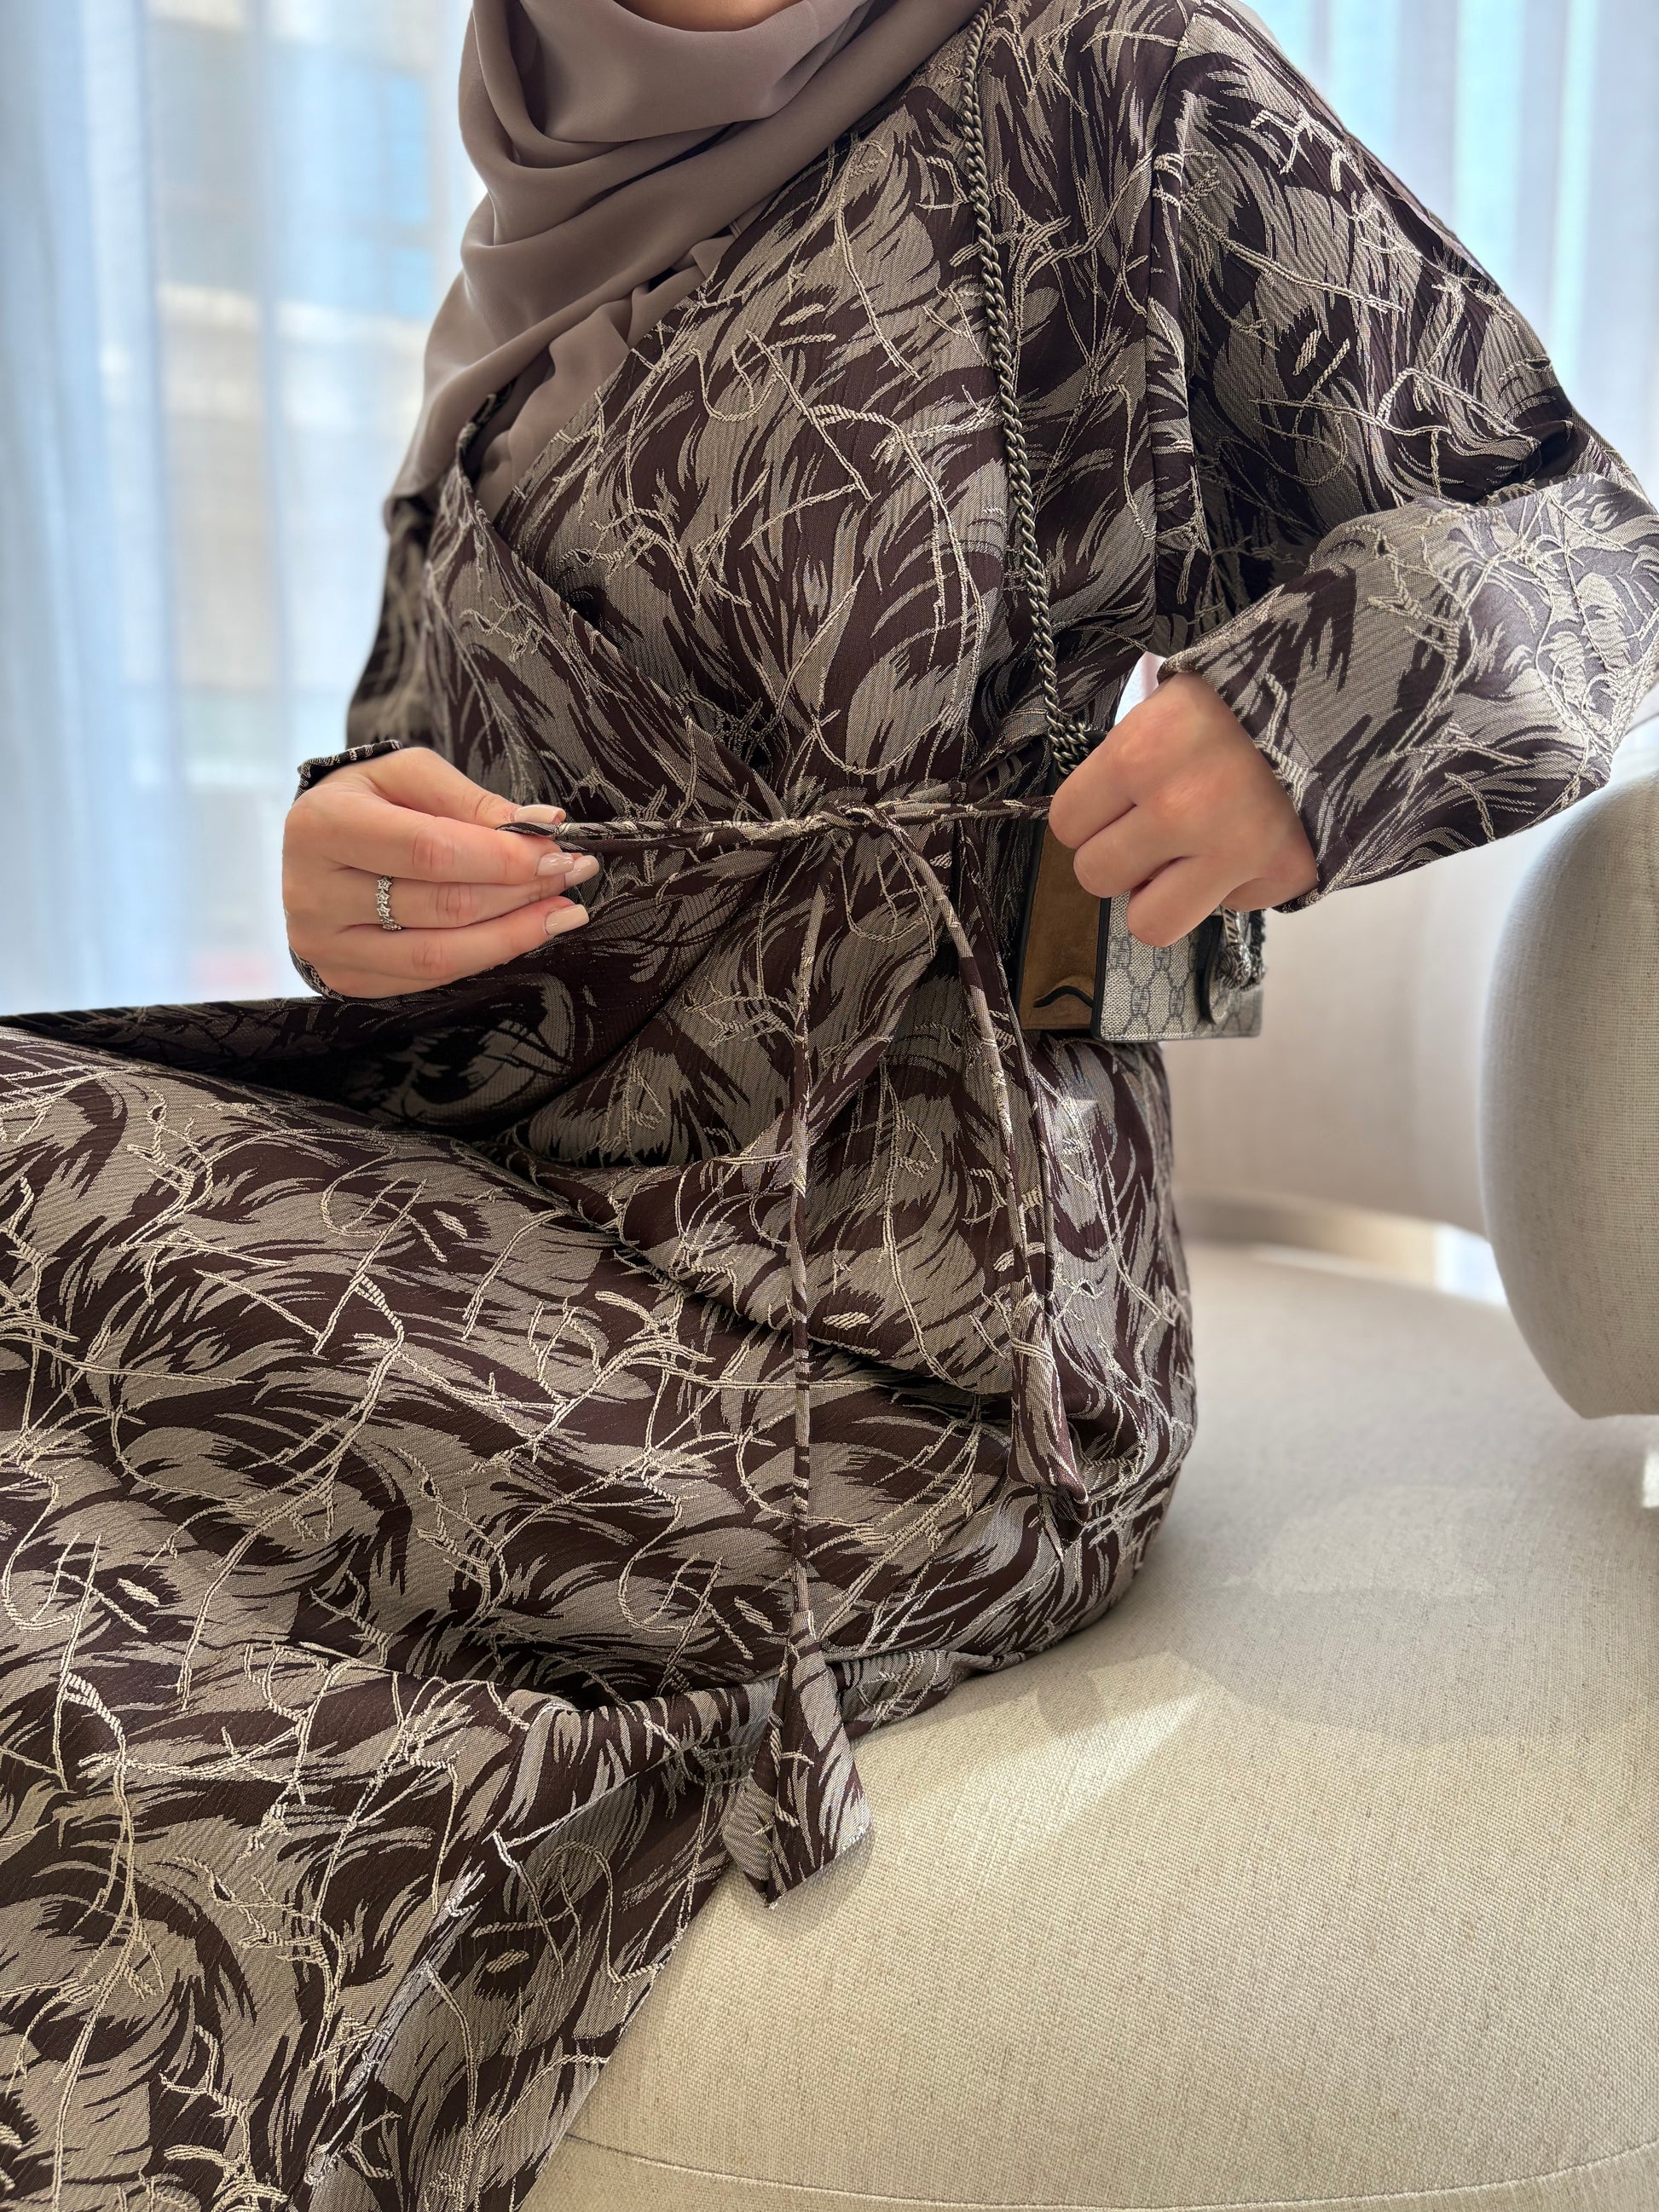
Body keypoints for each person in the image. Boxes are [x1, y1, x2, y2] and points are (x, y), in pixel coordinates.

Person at [1, 2, 1655, 2206]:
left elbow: (1584, 536)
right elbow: (460, 776)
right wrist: (347, 861)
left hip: (919, 1332)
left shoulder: (1097, 79)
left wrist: (1311, 720)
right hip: (511, 1195)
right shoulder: (537, 147)